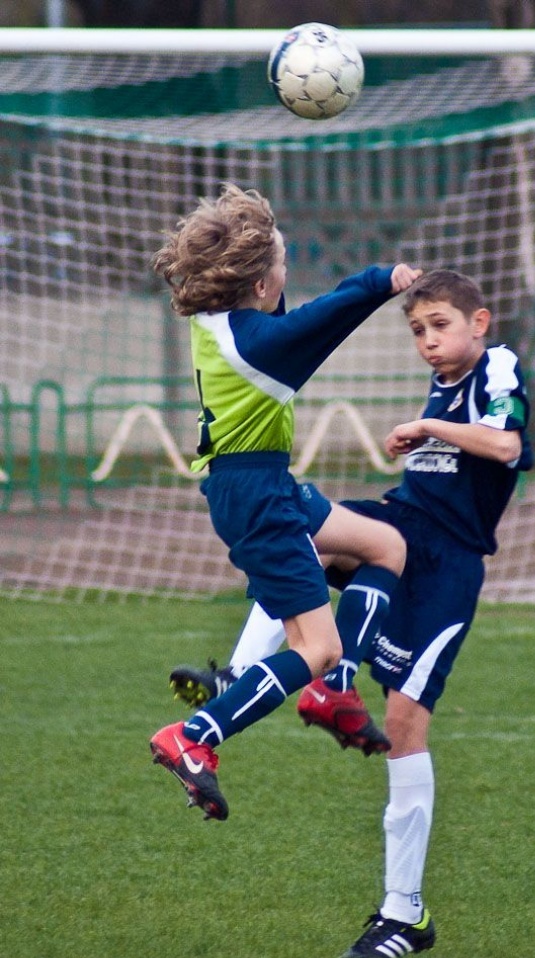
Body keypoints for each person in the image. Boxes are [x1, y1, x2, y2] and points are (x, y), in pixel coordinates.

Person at [170, 268, 534, 958]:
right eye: (417, 329)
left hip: (447, 565)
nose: (427, 340)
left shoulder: (498, 366)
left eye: (440, 326)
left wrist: (429, 427)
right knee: (296, 541)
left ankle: (403, 915)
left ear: (479, 323)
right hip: (402, 522)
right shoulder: (449, 374)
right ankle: (249, 679)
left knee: (402, 726)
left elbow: (507, 447)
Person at [148, 182, 422, 821]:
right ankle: (195, 736)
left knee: (386, 546)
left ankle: (334, 694)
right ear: (263, 287)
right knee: (317, 644)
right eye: (281, 267)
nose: (286, 279)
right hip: (257, 496)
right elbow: (322, 321)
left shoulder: (219, 322)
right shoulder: (259, 347)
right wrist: (382, 280)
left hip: (259, 485)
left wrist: (265, 252)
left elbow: (288, 313)